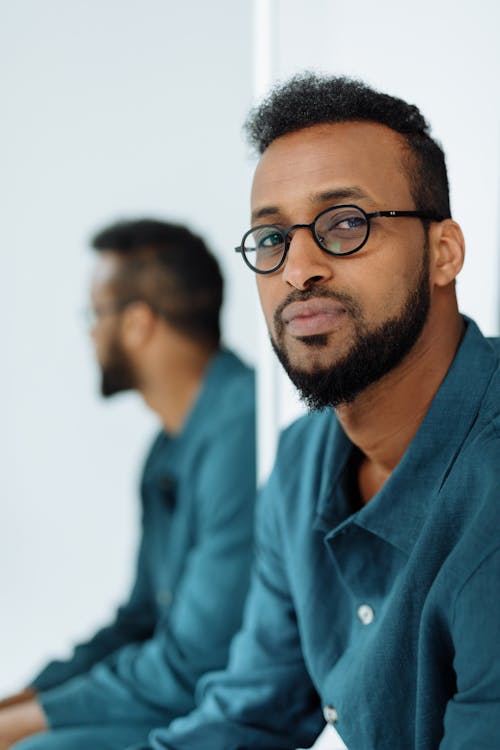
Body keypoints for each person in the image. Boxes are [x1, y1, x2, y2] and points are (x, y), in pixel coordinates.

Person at [135, 74, 500, 750]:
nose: (297, 268)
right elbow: (249, 716)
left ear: (443, 252)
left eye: (344, 224)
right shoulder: (304, 461)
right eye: (270, 238)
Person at [0, 219, 256, 750]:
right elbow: (140, 620)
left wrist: (23, 725)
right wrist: (21, 701)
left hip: (230, 713)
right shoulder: (165, 451)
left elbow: (195, 661)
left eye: (96, 314)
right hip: (178, 697)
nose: (91, 332)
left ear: (139, 323)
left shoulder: (243, 431)